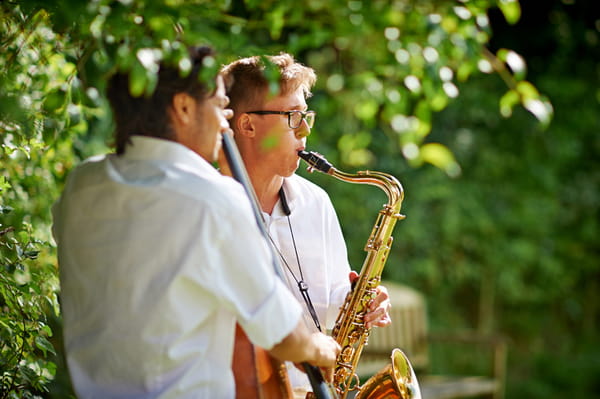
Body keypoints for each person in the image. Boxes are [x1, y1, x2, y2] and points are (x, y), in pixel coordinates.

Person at [51, 46, 340, 399]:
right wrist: (319, 348)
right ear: (184, 107)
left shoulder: (82, 185)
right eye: (220, 107)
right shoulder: (213, 199)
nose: (225, 123)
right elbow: (284, 337)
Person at [220, 53, 392, 398]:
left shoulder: (317, 203)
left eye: (306, 115)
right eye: (292, 116)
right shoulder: (209, 208)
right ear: (248, 125)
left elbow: (331, 297)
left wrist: (362, 303)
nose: (306, 129)